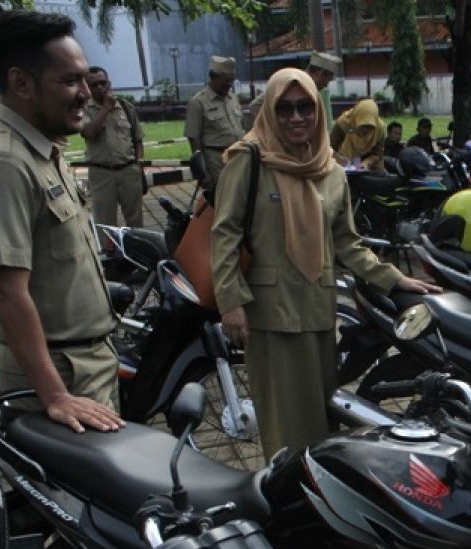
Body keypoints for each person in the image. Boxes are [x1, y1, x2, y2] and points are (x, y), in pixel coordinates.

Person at [211, 69, 439, 460]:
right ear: (270, 111)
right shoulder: (249, 159)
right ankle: (282, 496)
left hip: (317, 310)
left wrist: (395, 278)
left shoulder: (330, 171)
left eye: (305, 108)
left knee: (320, 417)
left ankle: (316, 500)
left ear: (319, 111)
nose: (296, 118)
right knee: (283, 422)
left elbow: (346, 242)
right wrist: (230, 301)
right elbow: (225, 232)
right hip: (269, 313)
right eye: (285, 109)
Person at [0, 10, 122, 434]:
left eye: (85, 79)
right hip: (56, 378)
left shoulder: (42, 149)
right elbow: (5, 291)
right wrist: (54, 395)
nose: (86, 93)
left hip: (84, 368)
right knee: (69, 502)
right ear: (21, 83)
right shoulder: (4, 162)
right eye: (70, 81)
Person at [81, 66, 144, 227]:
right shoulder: (84, 110)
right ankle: (110, 252)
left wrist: (139, 164)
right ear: (87, 87)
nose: (99, 87)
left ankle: (137, 251)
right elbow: (89, 132)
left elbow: (138, 139)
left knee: (135, 221)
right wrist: (106, 109)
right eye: (94, 85)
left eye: (102, 83)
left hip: (128, 171)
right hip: (102, 174)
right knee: (105, 223)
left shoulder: (125, 107)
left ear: (109, 84)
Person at [246, 51, 342, 133]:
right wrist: (275, 131)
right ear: (319, 74)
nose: (326, 85)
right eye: (327, 81)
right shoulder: (292, 82)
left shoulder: (310, 88)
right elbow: (255, 106)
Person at [185, 55, 241, 189]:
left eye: (231, 80)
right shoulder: (198, 102)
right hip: (216, 162)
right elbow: (194, 138)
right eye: (226, 81)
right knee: (220, 202)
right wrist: (203, 172)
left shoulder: (232, 99)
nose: (229, 84)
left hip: (238, 159)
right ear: (214, 78)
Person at [329, 98, 386, 171]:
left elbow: (378, 153)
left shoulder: (380, 129)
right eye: (363, 126)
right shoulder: (343, 123)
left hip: (368, 166)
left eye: (370, 127)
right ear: (356, 120)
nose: (365, 131)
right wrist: (338, 158)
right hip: (343, 164)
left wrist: (367, 163)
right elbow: (329, 147)